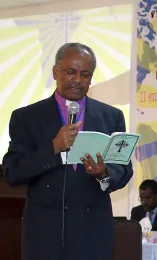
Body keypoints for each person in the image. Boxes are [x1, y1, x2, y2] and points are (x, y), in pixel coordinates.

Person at [1, 42, 133, 260]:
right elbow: (13, 172)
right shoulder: (26, 117)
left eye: (85, 74)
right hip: (44, 235)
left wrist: (103, 173)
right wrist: (53, 147)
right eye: (70, 72)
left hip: (92, 234)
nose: (77, 80)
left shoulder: (112, 116)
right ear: (55, 72)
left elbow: (124, 170)